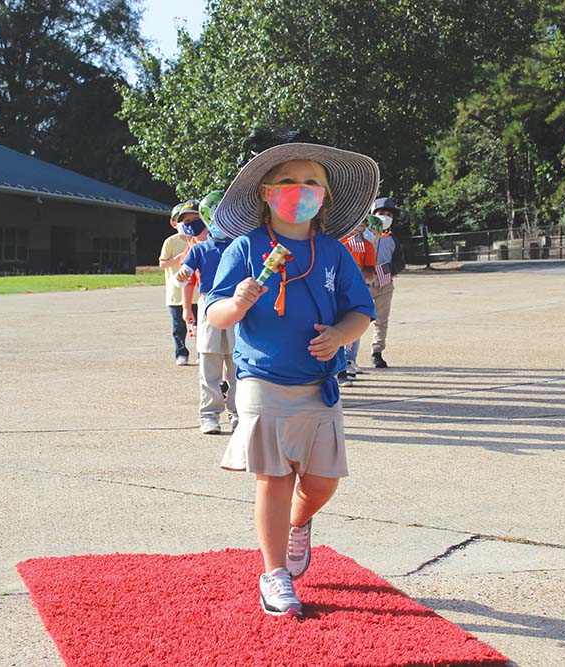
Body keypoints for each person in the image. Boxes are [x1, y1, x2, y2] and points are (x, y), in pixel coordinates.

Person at [206, 137, 378, 618]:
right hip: (262, 379)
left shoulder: (334, 252)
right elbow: (215, 313)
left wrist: (341, 335)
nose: (299, 191)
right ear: (265, 192)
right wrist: (237, 302)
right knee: (274, 479)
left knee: (322, 483)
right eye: (288, 182)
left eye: (311, 183)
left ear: (324, 196)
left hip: (318, 383)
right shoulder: (246, 247)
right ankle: (274, 573)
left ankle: (299, 523)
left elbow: (360, 311)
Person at [176, 190, 238, 435]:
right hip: (209, 306)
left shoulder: (239, 245)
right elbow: (185, 274)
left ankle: (238, 413)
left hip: (237, 307)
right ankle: (209, 415)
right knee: (210, 363)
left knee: (237, 363)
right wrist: (183, 275)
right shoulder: (199, 248)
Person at [158, 200, 201, 365]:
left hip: (197, 294)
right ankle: (181, 353)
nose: (187, 224)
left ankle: (200, 352)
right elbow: (162, 264)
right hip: (176, 295)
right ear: (174, 223)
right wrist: (178, 258)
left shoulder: (199, 238)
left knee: (200, 327)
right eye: (183, 220)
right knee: (179, 328)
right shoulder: (171, 242)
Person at [338, 216, 377, 387]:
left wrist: (354, 282)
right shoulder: (338, 243)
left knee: (353, 328)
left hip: (356, 290)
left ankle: (348, 363)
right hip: (335, 290)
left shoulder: (366, 246)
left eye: (363, 222)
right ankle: (339, 368)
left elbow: (369, 273)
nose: (360, 225)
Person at [368, 196, 406, 368]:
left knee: (381, 320)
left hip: (385, 284)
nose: (385, 216)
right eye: (381, 213)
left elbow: (400, 262)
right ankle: (348, 355)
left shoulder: (393, 240)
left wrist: (389, 269)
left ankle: (377, 352)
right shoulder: (364, 236)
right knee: (356, 318)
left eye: (388, 214)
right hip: (364, 283)